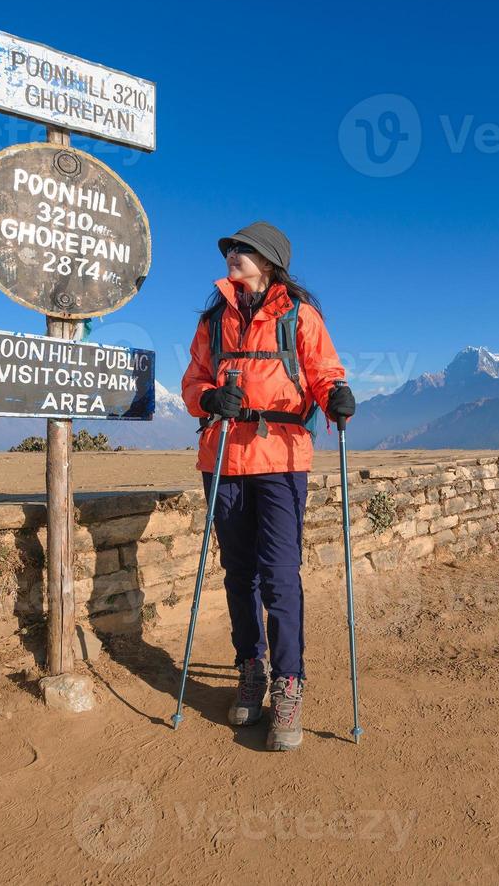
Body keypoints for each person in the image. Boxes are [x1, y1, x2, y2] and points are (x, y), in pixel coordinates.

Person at [179, 221, 356, 751]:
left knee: (279, 575)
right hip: (225, 457)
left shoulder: (298, 316)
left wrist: (338, 396)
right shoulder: (213, 322)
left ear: (270, 261)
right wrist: (209, 400)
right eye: (230, 249)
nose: (231, 255)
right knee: (239, 574)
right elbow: (193, 380)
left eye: (242, 250)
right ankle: (250, 668)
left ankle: (289, 683)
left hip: (280, 458)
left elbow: (324, 370)